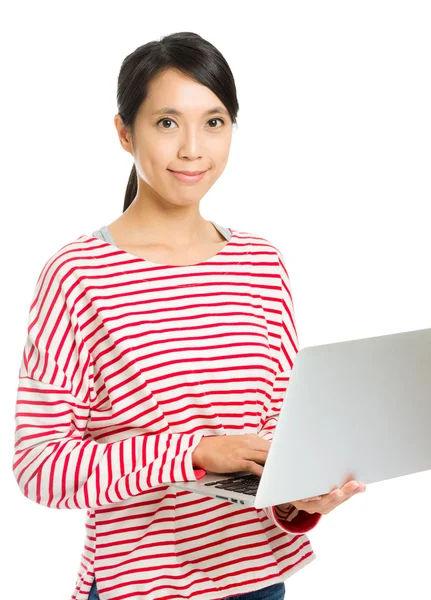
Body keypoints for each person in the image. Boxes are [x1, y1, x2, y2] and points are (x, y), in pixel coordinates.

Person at [12, 32, 365, 600]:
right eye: (168, 122)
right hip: (141, 587)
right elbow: (40, 467)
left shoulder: (260, 262)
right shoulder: (78, 274)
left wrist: (302, 493)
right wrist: (194, 452)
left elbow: (273, 439)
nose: (193, 149)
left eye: (215, 122)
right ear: (125, 132)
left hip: (258, 579)